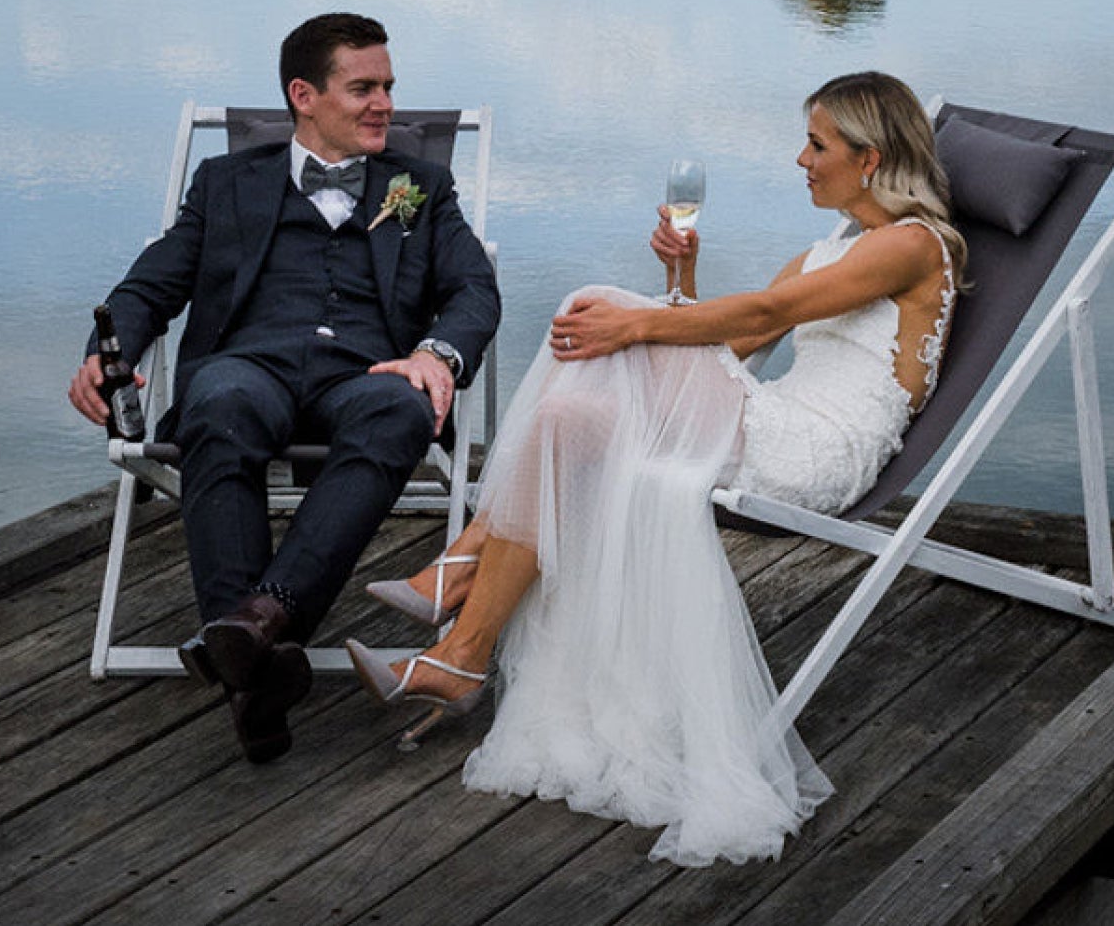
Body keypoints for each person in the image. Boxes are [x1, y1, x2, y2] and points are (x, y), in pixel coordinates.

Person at [345, 70, 963, 867]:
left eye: (817, 143)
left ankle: (463, 566)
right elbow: (734, 353)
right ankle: (460, 652)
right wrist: (679, 286)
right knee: (576, 417)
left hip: (817, 447)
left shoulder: (914, 244)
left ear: (870, 158)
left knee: (594, 306)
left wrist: (638, 317)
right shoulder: (826, 250)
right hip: (761, 416)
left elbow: (769, 316)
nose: (800, 158)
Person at [70, 11, 501, 764]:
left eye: (389, 87)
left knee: (401, 409)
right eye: (362, 87)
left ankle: (255, 630)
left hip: (369, 372)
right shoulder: (228, 181)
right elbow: (152, 282)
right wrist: (107, 354)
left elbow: (475, 289)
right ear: (304, 94)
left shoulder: (420, 186)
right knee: (221, 405)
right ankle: (262, 653)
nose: (384, 104)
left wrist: (435, 353)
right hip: (251, 363)